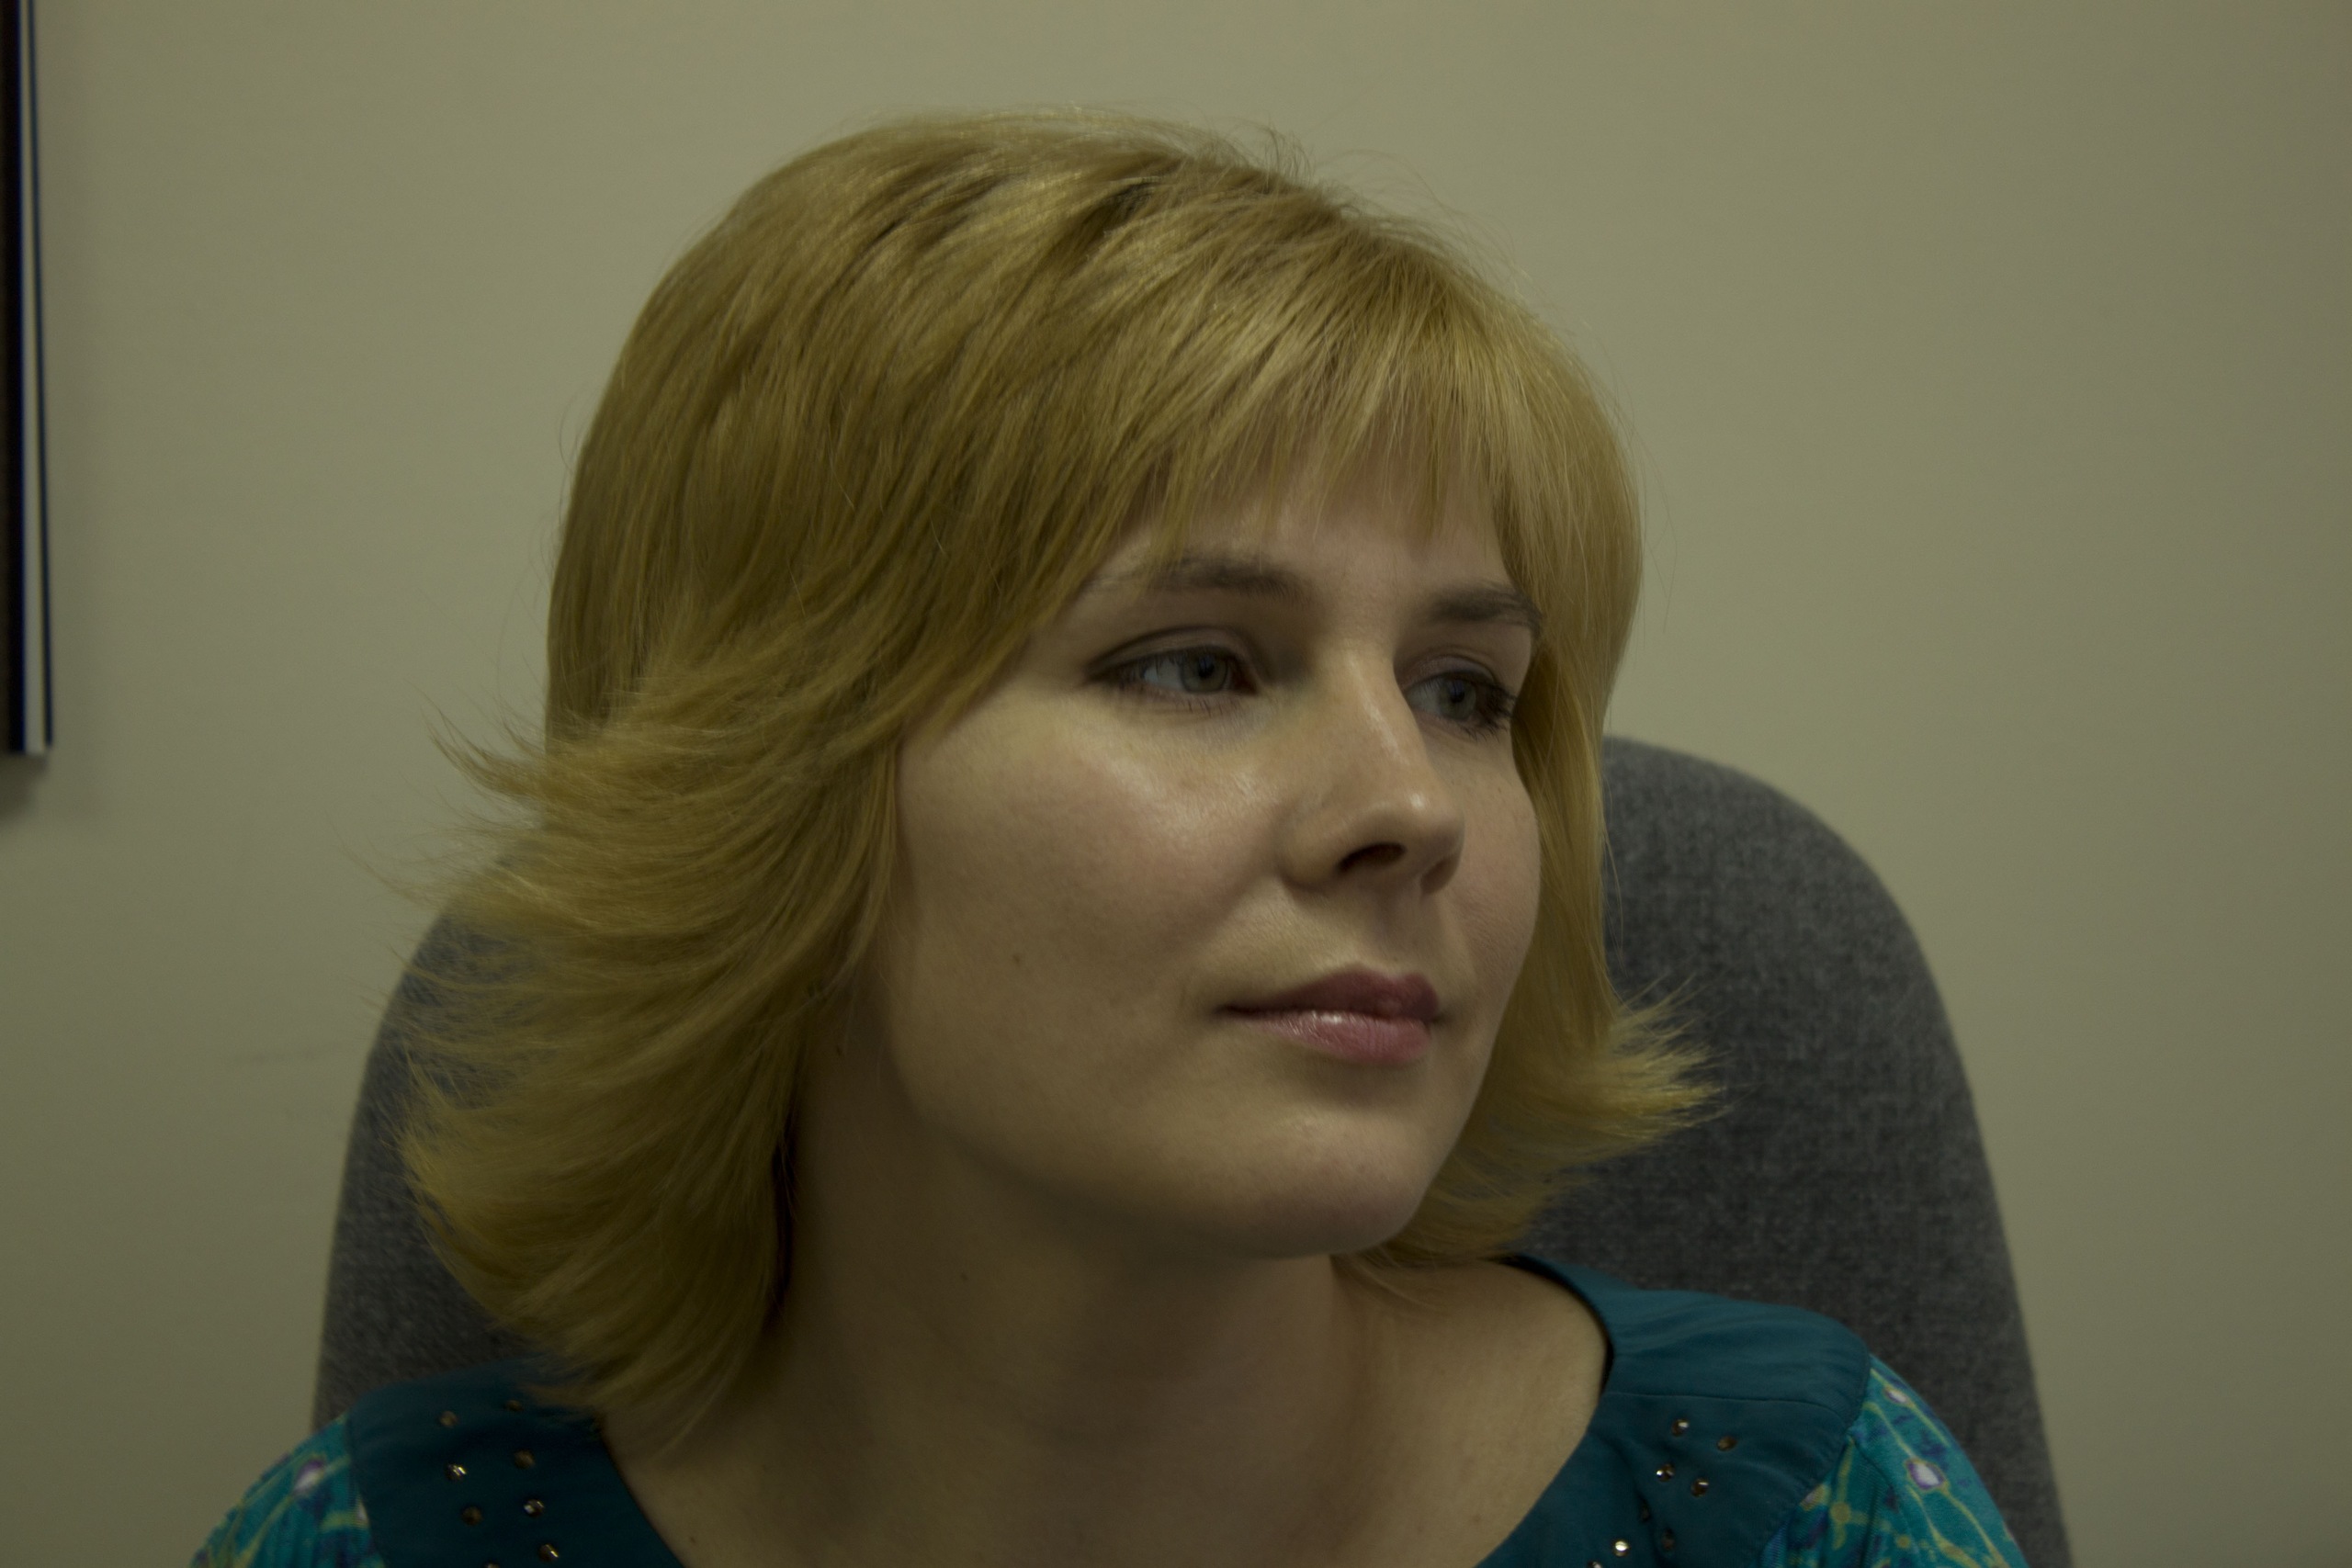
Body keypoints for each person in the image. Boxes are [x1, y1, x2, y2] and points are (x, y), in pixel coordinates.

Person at [198, 112, 2028, 1568]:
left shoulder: (1813, 1513)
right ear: (769, 780)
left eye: (1465, 690)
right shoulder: (371, 1543)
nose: (1410, 806)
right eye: (1195, 663)